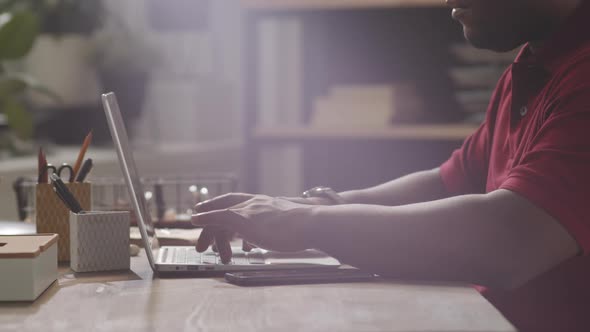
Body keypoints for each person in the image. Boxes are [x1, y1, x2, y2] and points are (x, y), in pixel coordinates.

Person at [192, 0, 590, 330]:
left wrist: (306, 222)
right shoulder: (530, 69)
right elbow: (448, 183)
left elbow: (508, 241)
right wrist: (304, 206)